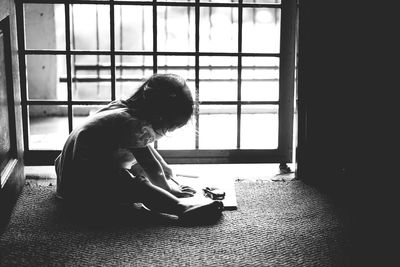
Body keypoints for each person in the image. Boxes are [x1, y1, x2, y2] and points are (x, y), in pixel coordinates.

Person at [54, 73, 223, 223]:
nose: (168, 132)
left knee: (134, 169)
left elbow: (147, 152)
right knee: (139, 186)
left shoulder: (122, 111)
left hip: (69, 174)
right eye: (170, 127)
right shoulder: (133, 126)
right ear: (160, 116)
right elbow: (151, 166)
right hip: (84, 192)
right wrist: (169, 189)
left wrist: (165, 167)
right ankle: (181, 208)